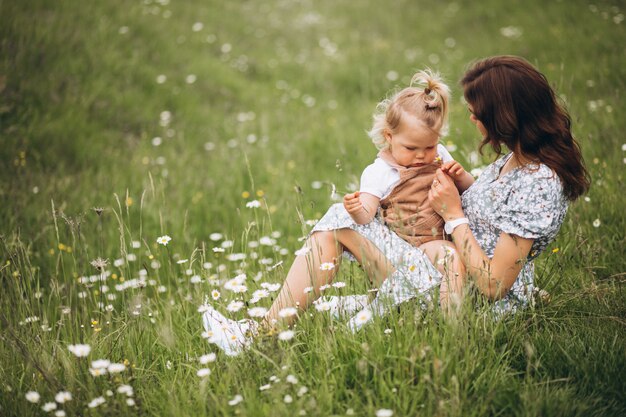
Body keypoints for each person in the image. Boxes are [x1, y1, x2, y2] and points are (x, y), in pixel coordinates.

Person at [203, 70, 473, 355]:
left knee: (450, 255)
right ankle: (263, 333)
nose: (421, 155)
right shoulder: (380, 172)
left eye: (429, 147)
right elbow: (367, 215)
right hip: (402, 252)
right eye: (411, 148)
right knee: (340, 217)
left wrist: (461, 175)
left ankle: (452, 334)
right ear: (388, 137)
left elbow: (468, 189)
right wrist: (356, 210)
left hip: (433, 243)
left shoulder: (441, 154)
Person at [427, 55, 589, 315]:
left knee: (345, 226)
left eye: (475, 113)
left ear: (502, 118)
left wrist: (452, 215)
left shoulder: (538, 183)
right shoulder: (519, 156)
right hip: (452, 274)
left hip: (474, 306)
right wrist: (463, 183)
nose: (471, 119)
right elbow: (493, 214)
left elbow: (494, 286)